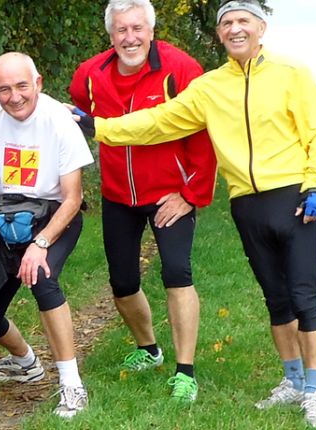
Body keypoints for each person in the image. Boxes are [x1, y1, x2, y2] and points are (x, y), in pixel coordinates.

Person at [73, 0, 316, 426]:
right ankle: (292, 381)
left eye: (243, 21)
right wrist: (99, 127)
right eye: (227, 23)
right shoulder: (211, 86)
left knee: (304, 298)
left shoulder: (292, 73)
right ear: (219, 34)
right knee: (275, 298)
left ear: (261, 28)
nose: (235, 29)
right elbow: (159, 121)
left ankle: (315, 391)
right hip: (246, 202)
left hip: (293, 197)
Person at [68, 0, 216, 403]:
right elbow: (80, 109)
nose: (129, 38)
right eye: (121, 30)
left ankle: (185, 372)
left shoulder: (181, 69)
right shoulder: (91, 74)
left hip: (170, 193)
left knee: (177, 273)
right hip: (118, 193)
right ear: (110, 34)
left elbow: (205, 133)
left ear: (151, 31)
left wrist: (191, 194)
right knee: (122, 283)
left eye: (137, 28)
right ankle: (149, 349)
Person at [0, 52, 94, 419]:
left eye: (22, 86)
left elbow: (73, 198)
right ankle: (26, 363)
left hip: (54, 214)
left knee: (43, 278)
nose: (14, 97)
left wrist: (40, 244)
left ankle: (72, 386)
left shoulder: (59, 121)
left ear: (38, 83)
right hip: (5, 216)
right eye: (4, 89)